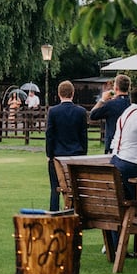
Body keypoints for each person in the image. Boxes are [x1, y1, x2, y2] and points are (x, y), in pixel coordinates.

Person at [108, 85, 137, 256]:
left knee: (120, 205)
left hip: (116, 162)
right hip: (132, 165)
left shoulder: (126, 113)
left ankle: (117, 248)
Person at [44, 80, 87, 211]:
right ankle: (74, 211)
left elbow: (49, 135)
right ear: (73, 93)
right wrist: (83, 153)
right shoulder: (80, 112)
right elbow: (83, 135)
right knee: (75, 187)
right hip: (76, 155)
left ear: (59, 94)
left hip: (58, 154)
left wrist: (49, 155)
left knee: (55, 187)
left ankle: (54, 211)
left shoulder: (53, 112)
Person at [90, 74, 131, 153]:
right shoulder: (132, 104)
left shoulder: (110, 104)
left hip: (113, 145)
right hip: (129, 145)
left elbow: (93, 115)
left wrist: (102, 100)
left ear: (116, 88)